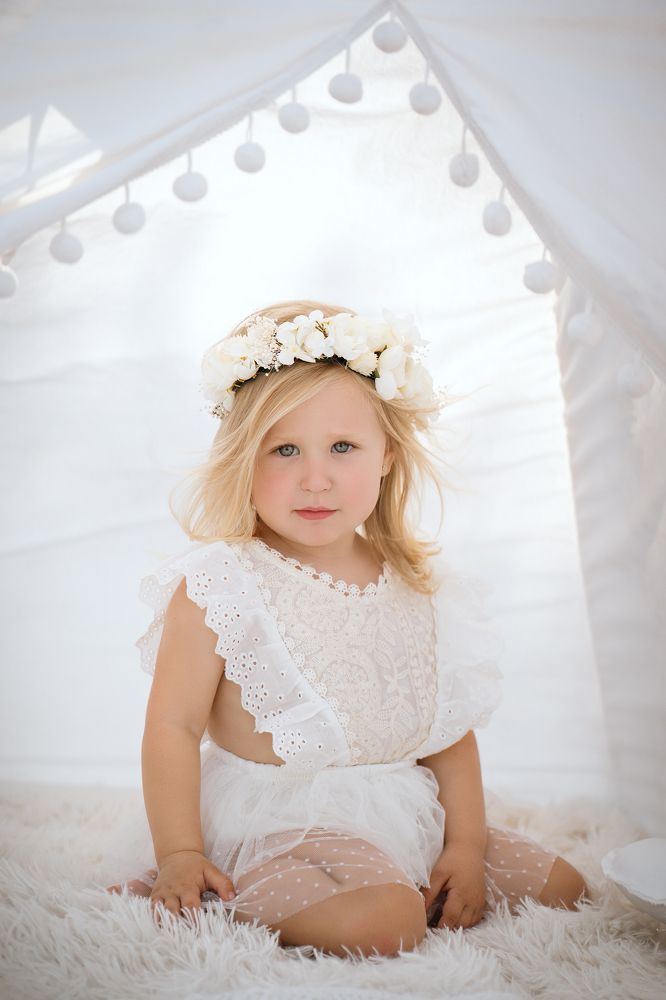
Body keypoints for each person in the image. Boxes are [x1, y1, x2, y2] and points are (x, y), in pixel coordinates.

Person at [105, 299, 589, 958]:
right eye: (284, 449)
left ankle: (398, 875)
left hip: (403, 811)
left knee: (565, 887)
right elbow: (173, 728)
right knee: (387, 924)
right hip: (281, 824)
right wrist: (180, 853)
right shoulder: (222, 584)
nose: (315, 479)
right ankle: (228, 890)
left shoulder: (420, 583)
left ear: (386, 454)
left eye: (342, 447)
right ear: (244, 458)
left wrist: (465, 845)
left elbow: (446, 733)